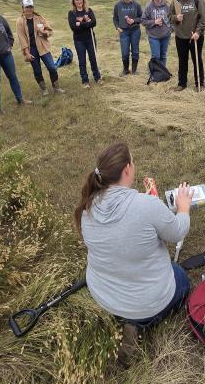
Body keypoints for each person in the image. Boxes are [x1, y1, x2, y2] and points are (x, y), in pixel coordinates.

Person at [75, 142, 192, 366]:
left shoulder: (87, 206)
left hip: (103, 296)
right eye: (134, 161)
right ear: (127, 169)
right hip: (145, 302)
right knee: (181, 278)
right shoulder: (146, 204)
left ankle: (126, 317)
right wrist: (183, 207)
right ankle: (140, 322)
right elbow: (178, 233)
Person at [16, 0, 64, 95]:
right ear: (23, 8)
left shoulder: (39, 18)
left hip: (43, 46)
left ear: (33, 7)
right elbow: (22, 38)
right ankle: (43, 89)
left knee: (52, 67)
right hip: (31, 49)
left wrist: (44, 32)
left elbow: (50, 31)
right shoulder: (20, 21)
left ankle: (56, 87)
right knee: (37, 70)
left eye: (31, 7)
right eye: (27, 7)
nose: (29, 9)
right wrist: (27, 53)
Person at [170, 0, 205, 91]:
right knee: (182, 60)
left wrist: (198, 32)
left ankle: (199, 83)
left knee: (196, 60)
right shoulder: (176, 1)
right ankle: (182, 83)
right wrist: (176, 18)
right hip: (180, 36)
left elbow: (203, 19)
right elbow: (169, 16)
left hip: (194, 36)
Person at [67, 0, 102, 88]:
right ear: (74, 2)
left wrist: (80, 24)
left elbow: (94, 23)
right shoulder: (72, 13)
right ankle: (85, 81)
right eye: (77, 0)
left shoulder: (88, 10)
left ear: (83, 0)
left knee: (93, 59)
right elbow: (73, 27)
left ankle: (97, 77)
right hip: (79, 40)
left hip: (90, 38)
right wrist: (86, 22)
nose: (79, 1)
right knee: (82, 61)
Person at [112, 0, 142, 76]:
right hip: (124, 31)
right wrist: (117, 27)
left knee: (135, 51)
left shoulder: (136, 4)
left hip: (135, 31)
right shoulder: (118, 5)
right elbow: (115, 18)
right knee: (125, 52)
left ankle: (134, 70)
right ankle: (125, 70)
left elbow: (142, 17)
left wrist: (134, 20)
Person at [142, 0, 172, 67]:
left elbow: (172, 19)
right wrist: (154, 22)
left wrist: (170, 30)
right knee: (156, 56)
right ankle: (155, 73)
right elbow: (143, 21)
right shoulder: (149, 6)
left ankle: (163, 73)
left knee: (163, 55)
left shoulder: (167, 6)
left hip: (165, 35)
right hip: (153, 36)